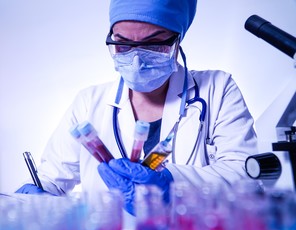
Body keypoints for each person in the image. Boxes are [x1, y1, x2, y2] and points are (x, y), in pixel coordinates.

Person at [16, 0, 258, 216]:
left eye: (152, 45)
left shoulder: (217, 88)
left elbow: (247, 176)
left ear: (177, 41)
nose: (135, 60)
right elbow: (52, 181)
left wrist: (172, 184)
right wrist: (37, 198)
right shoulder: (89, 102)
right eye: (122, 45)